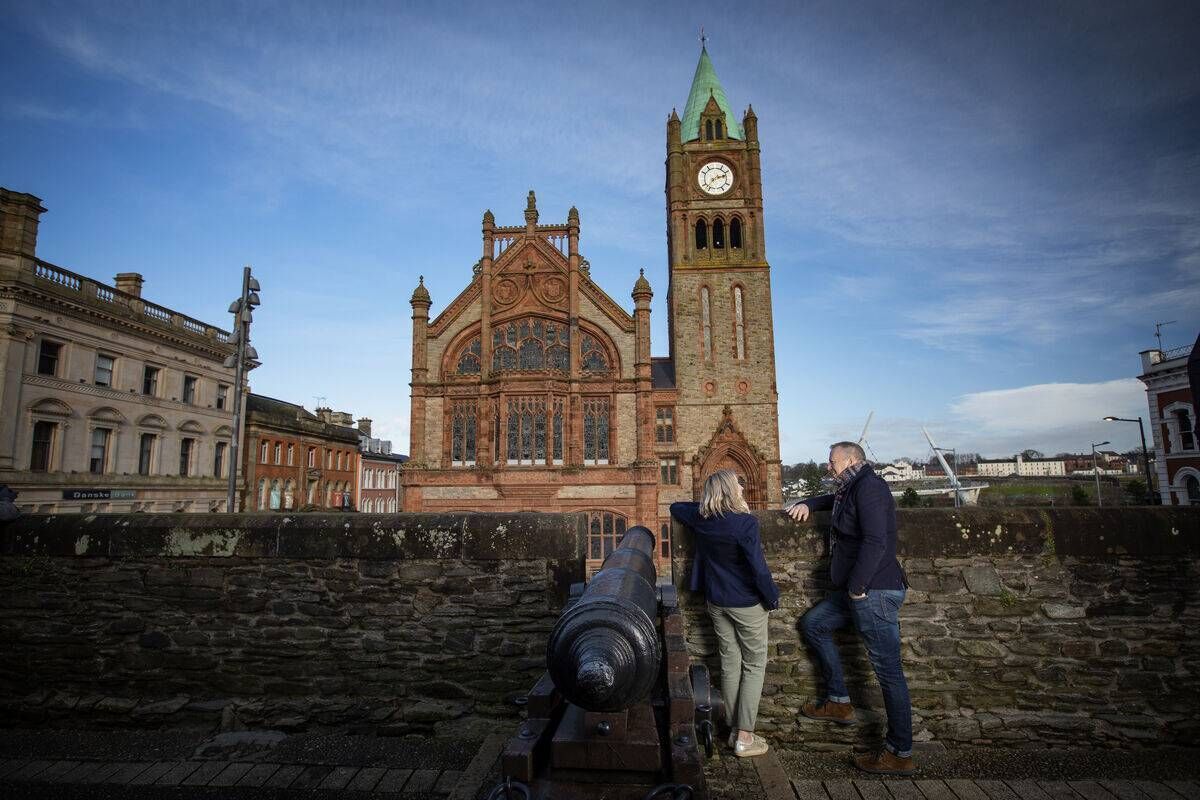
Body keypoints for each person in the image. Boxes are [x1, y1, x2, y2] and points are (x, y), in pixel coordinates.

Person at [785, 442, 914, 775]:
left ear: (852, 460)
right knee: (814, 624)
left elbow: (876, 542)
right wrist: (808, 503)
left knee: (889, 674)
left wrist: (857, 588)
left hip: (874, 592)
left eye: (832, 462)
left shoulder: (869, 487)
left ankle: (900, 752)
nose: (828, 466)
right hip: (860, 593)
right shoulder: (852, 486)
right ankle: (839, 702)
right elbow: (833, 500)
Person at [671, 469, 780, 758]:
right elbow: (758, 568)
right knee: (754, 665)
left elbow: (675, 507)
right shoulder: (745, 524)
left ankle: (732, 730)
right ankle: (745, 736)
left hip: (716, 600)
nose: (743, 489)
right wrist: (772, 598)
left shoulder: (702, 519)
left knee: (730, 662)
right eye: (739, 486)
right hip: (745, 602)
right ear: (731, 491)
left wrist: (708, 504)